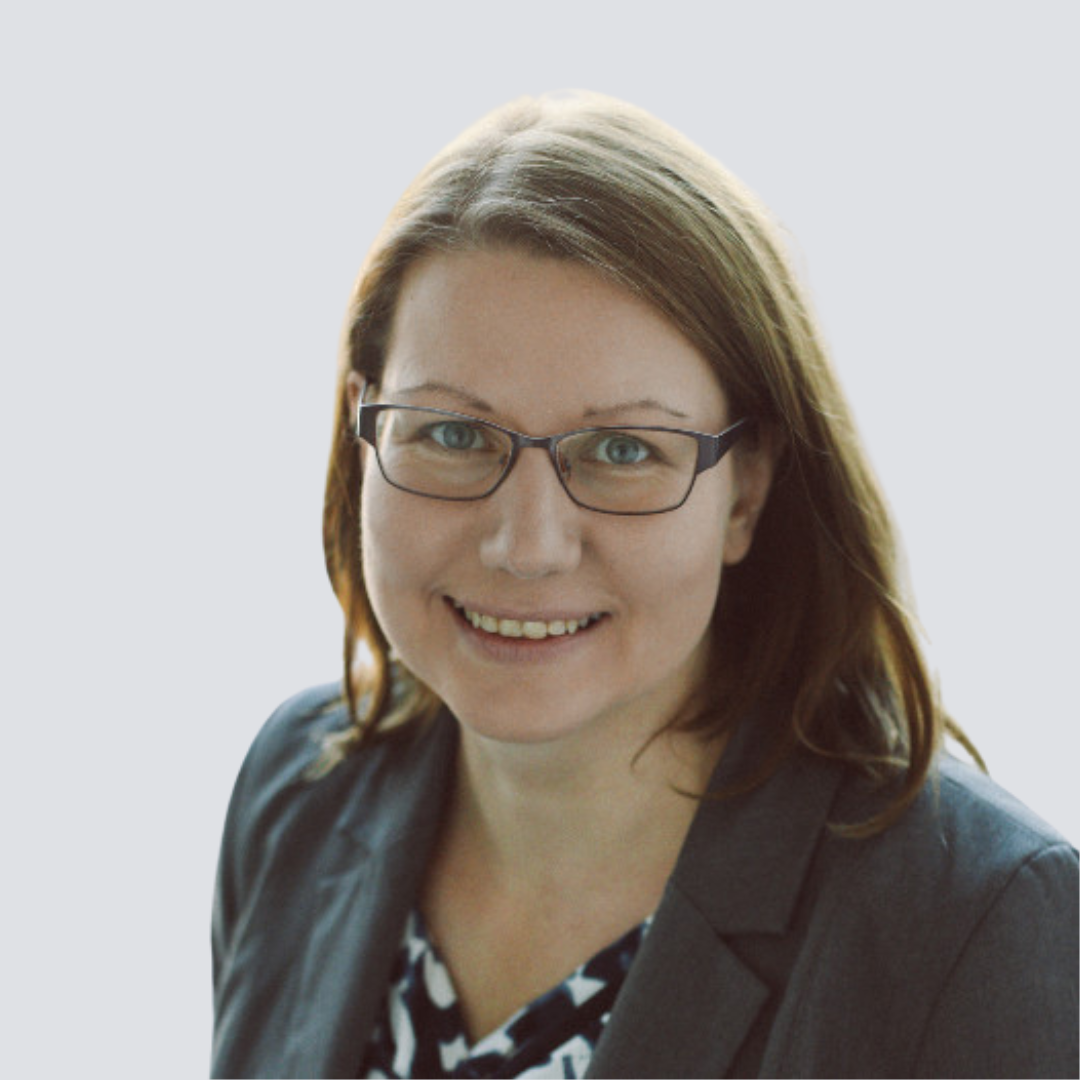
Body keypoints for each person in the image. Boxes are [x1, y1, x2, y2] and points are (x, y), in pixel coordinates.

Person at [211, 92, 1078, 1079]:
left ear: (746, 491)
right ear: (364, 426)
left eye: (622, 448)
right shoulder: (296, 787)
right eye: (451, 433)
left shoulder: (977, 923)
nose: (525, 545)